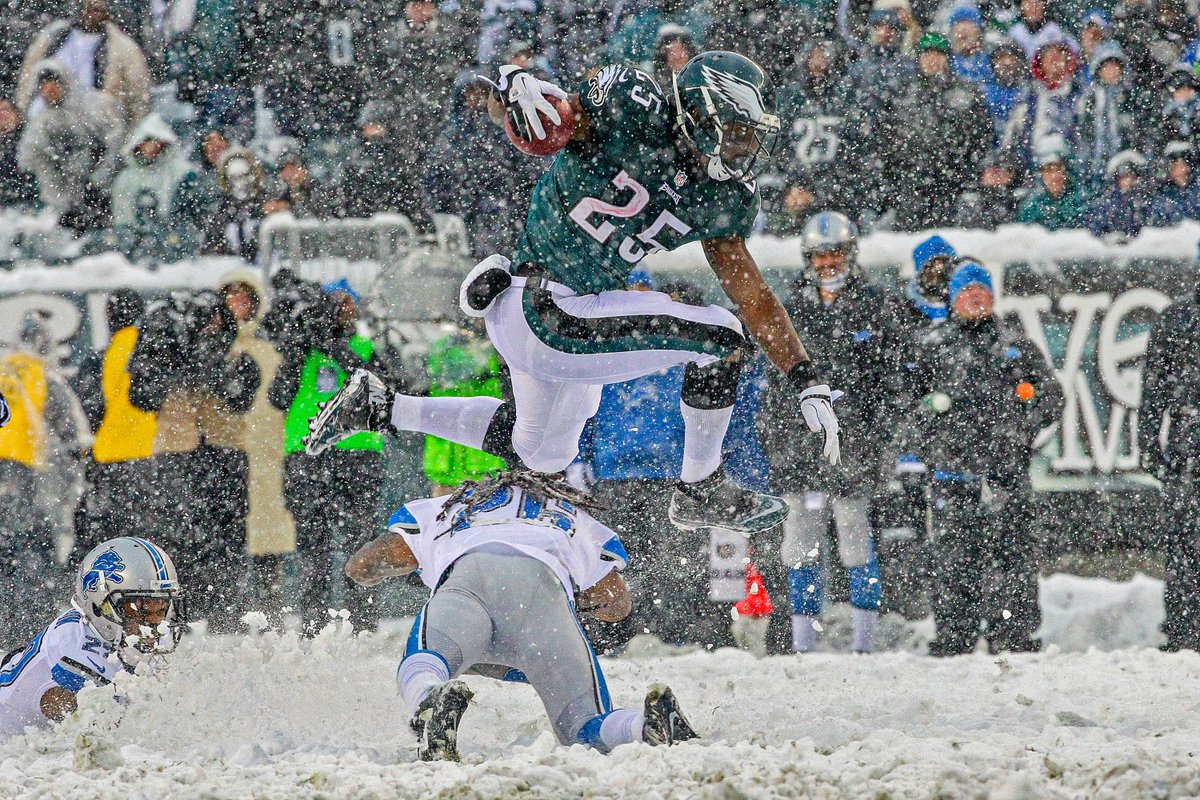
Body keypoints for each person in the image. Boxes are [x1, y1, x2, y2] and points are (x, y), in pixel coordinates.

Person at [306, 51, 842, 537]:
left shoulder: (719, 193)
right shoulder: (633, 105)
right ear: (699, 115)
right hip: (549, 306)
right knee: (721, 337)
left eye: (752, 136)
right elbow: (549, 123)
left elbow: (754, 293)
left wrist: (805, 377)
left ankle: (383, 407)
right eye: (739, 132)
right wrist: (513, 96)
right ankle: (701, 486)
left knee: (539, 450)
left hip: (556, 314)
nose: (747, 148)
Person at [344, 470, 697, 761]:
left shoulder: (446, 506)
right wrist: (577, 600)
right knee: (584, 726)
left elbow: (367, 562)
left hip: (471, 583)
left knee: (427, 661)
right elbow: (616, 602)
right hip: (545, 600)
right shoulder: (575, 517)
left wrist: (368, 571)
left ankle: (428, 702)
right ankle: (642, 725)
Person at [758, 212, 904, 654]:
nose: (828, 263)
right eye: (821, 255)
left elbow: (892, 381)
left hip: (853, 445)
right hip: (800, 443)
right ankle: (803, 643)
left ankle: (864, 643)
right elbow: (773, 384)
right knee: (799, 545)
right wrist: (779, 438)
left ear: (851, 253)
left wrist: (878, 440)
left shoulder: (874, 306)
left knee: (855, 541)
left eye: (835, 253)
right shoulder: (792, 306)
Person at [907, 260, 1061, 656]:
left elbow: (1052, 397)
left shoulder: (1017, 343)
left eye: (982, 289)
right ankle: (955, 638)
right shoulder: (932, 345)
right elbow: (906, 406)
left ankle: (1013, 638)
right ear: (953, 298)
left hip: (1006, 476)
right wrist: (933, 445)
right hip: (952, 477)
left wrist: (1022, 434)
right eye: (966, 289)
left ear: (993, 296)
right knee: (955, 563)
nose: (975, 295)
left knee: (1014, 560)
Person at [127, 290, 261, 633]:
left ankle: (226, 615)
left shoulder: (238, 357)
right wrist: (170, 356)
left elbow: (238, 395)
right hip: (177, 452)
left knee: (228, 537)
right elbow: (141, 397)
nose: (208, 327)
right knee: (175, 538)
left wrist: (208, 355)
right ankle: (175, 616)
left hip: (225, 452)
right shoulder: (163, 355)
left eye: (215, 320)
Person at [270, 279, 386, 635]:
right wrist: (298, 347)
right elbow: (278, 397)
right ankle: (314, 622)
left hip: (357, 454)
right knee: (312, 545)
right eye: (333, 303)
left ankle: (363, 621)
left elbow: (383, 385)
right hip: (308, 454)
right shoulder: (301, 350)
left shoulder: (365, 347)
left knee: (361, 540)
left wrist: (335, 347)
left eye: (346, 303)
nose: (340, 311)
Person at [0, 536, 185, 737]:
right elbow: (101, 737)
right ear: (99, 604)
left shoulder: (107, 628)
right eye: (139, 609)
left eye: (160, 609)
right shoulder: (72, 654)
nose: (155, 624)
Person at [1139, 255, 1200, 650]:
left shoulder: (1177, 318)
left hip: (1185, 435)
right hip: (1188, 438)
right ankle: (1182, 629)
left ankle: (1182, 628)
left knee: (1184, 541)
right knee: (1185, 540)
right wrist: (1147, 440)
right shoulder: (1176, 319)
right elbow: (1154, 383)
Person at [72, 289, 156, 556]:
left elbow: (87, 410)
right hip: (152, 456)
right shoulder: (155, 352)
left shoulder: (101, 358)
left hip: (111, 458)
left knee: (113, 539)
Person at [885, 31, 991, 230]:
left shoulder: (966, 94)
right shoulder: (904, 96)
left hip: (953, 186)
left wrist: (963, 175)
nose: (932, 60)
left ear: (947, 58)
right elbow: (892, 143)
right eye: (927, 54)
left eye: (938, 54)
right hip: (913, 188)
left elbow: (981, 139)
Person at [16, 59, 123, 234]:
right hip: (68, 194)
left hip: (102, 186)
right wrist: (59, 197)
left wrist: (100, 178)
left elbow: (116, 140)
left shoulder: (94, 106)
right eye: (44, 86)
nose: (50, 90)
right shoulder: (42, 122)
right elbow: (33, 158)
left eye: (53, 84)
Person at [15, 0, 150, 126]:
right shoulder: (55, 35)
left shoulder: (123, 47)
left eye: (96, 9)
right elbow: (28, 74)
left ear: (107, 12)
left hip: (95, 123)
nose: (89, 14)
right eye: (85, 7)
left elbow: (138, 94)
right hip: (45, 116)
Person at [1015, 138, 1090, 229]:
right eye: (1048, 170)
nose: (1055, 176)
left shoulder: (1083, 201)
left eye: (1059, 168)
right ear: (1040, 174)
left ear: (1068, 170)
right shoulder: (1032, 205)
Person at [1084, 149, 1154, 240]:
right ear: (1116, 177)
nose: (1129, 179)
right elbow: (1094, 229)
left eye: (1134, 174)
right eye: (1124, 174)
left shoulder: (1146, 201)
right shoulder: (1105, 203)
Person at [1150, 140, 1200, 224]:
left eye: (1179, 165)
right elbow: (1156, 223)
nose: (1176, 169)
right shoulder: (1164, 194)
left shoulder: (1197, 190)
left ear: (1188, 166)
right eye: (1173, 165)